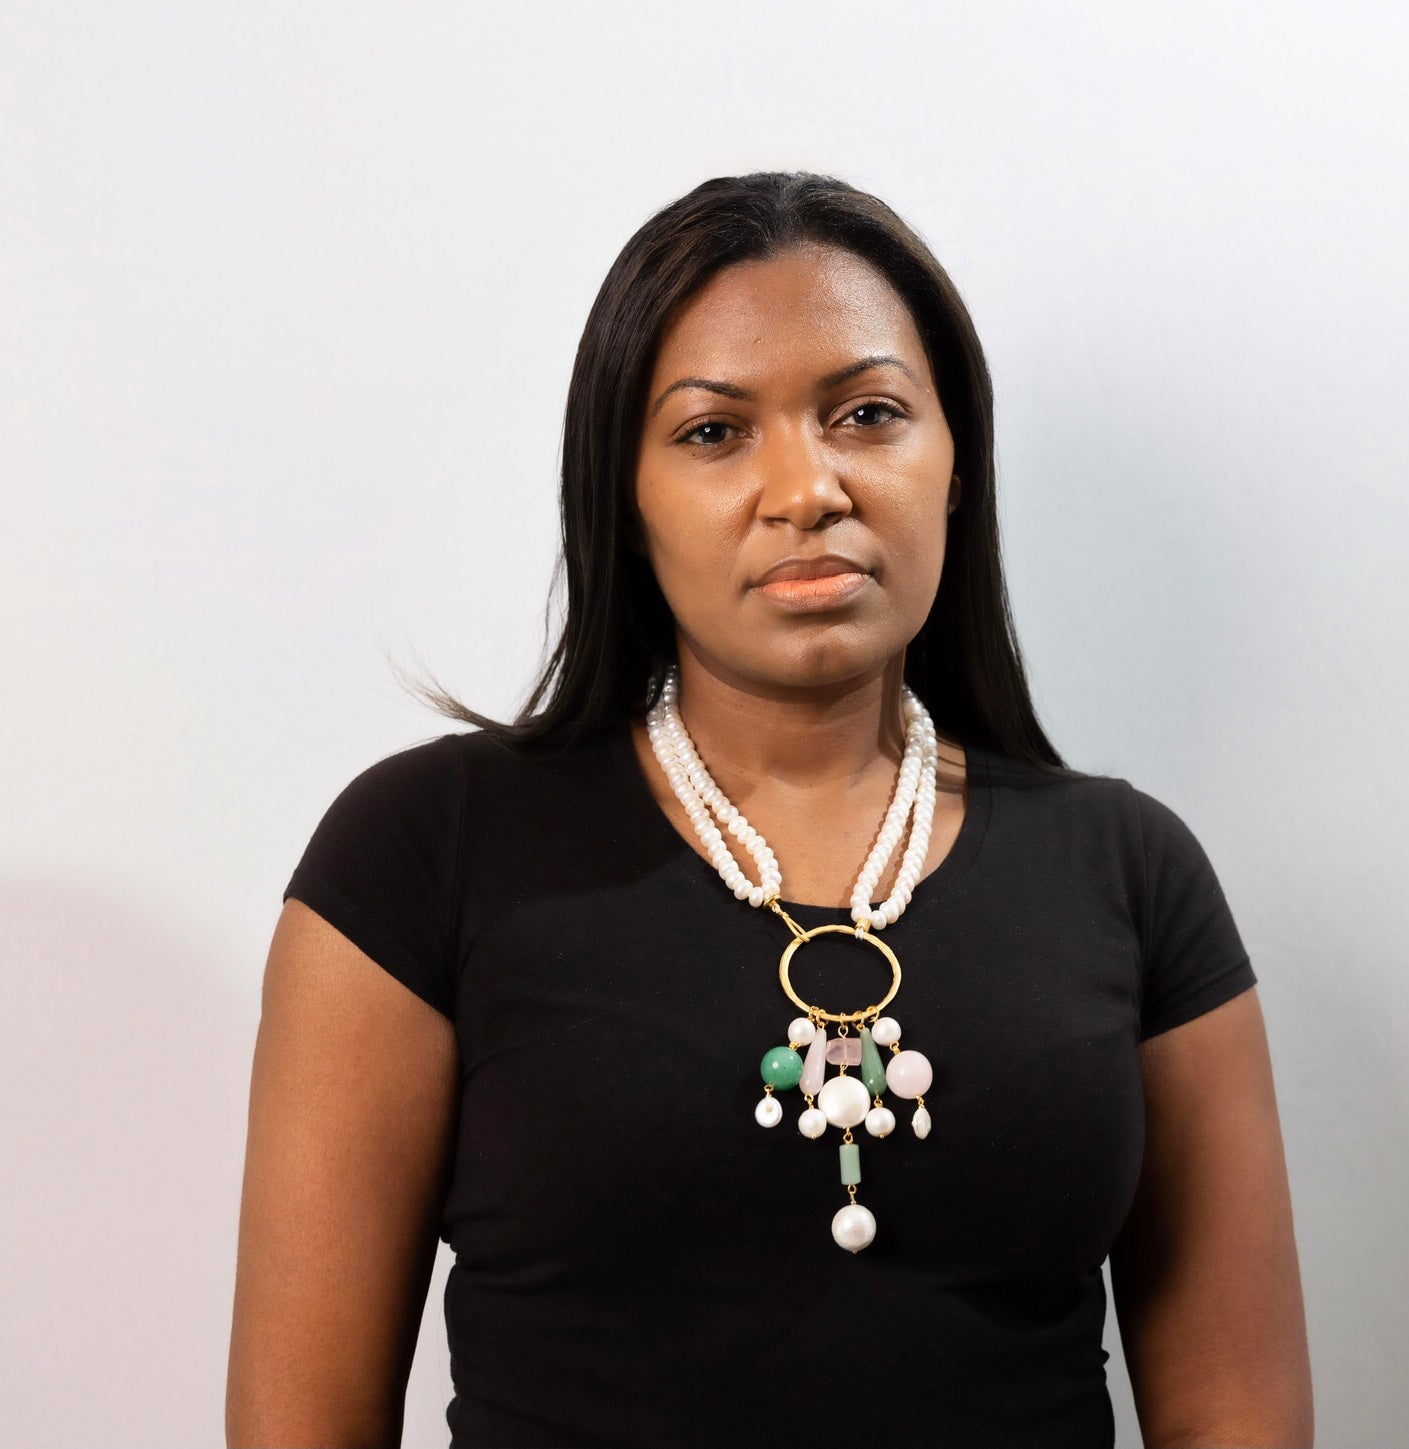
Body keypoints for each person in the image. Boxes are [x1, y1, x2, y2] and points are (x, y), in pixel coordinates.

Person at [226, 172, 1312, 1448]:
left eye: (867, 414)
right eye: (712, 432)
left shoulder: (1130, 874)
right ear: (624, 500)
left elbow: (1237, 1415)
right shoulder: (423, 855)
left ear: (954, 463)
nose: (806, 489)